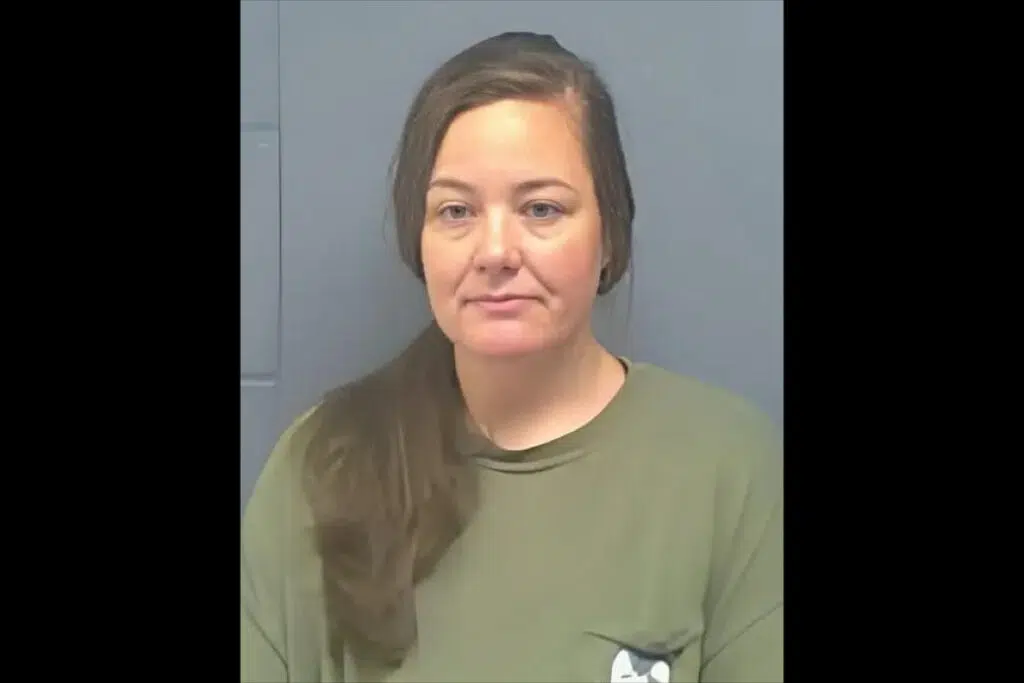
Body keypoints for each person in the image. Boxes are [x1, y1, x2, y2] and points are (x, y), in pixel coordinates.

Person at [241, 31, 783, 683]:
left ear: (610, 234)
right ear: (419, 241)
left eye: (541, 208)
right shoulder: (322, 464)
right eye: (456, 211)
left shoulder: (727, 467)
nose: (495, 251)